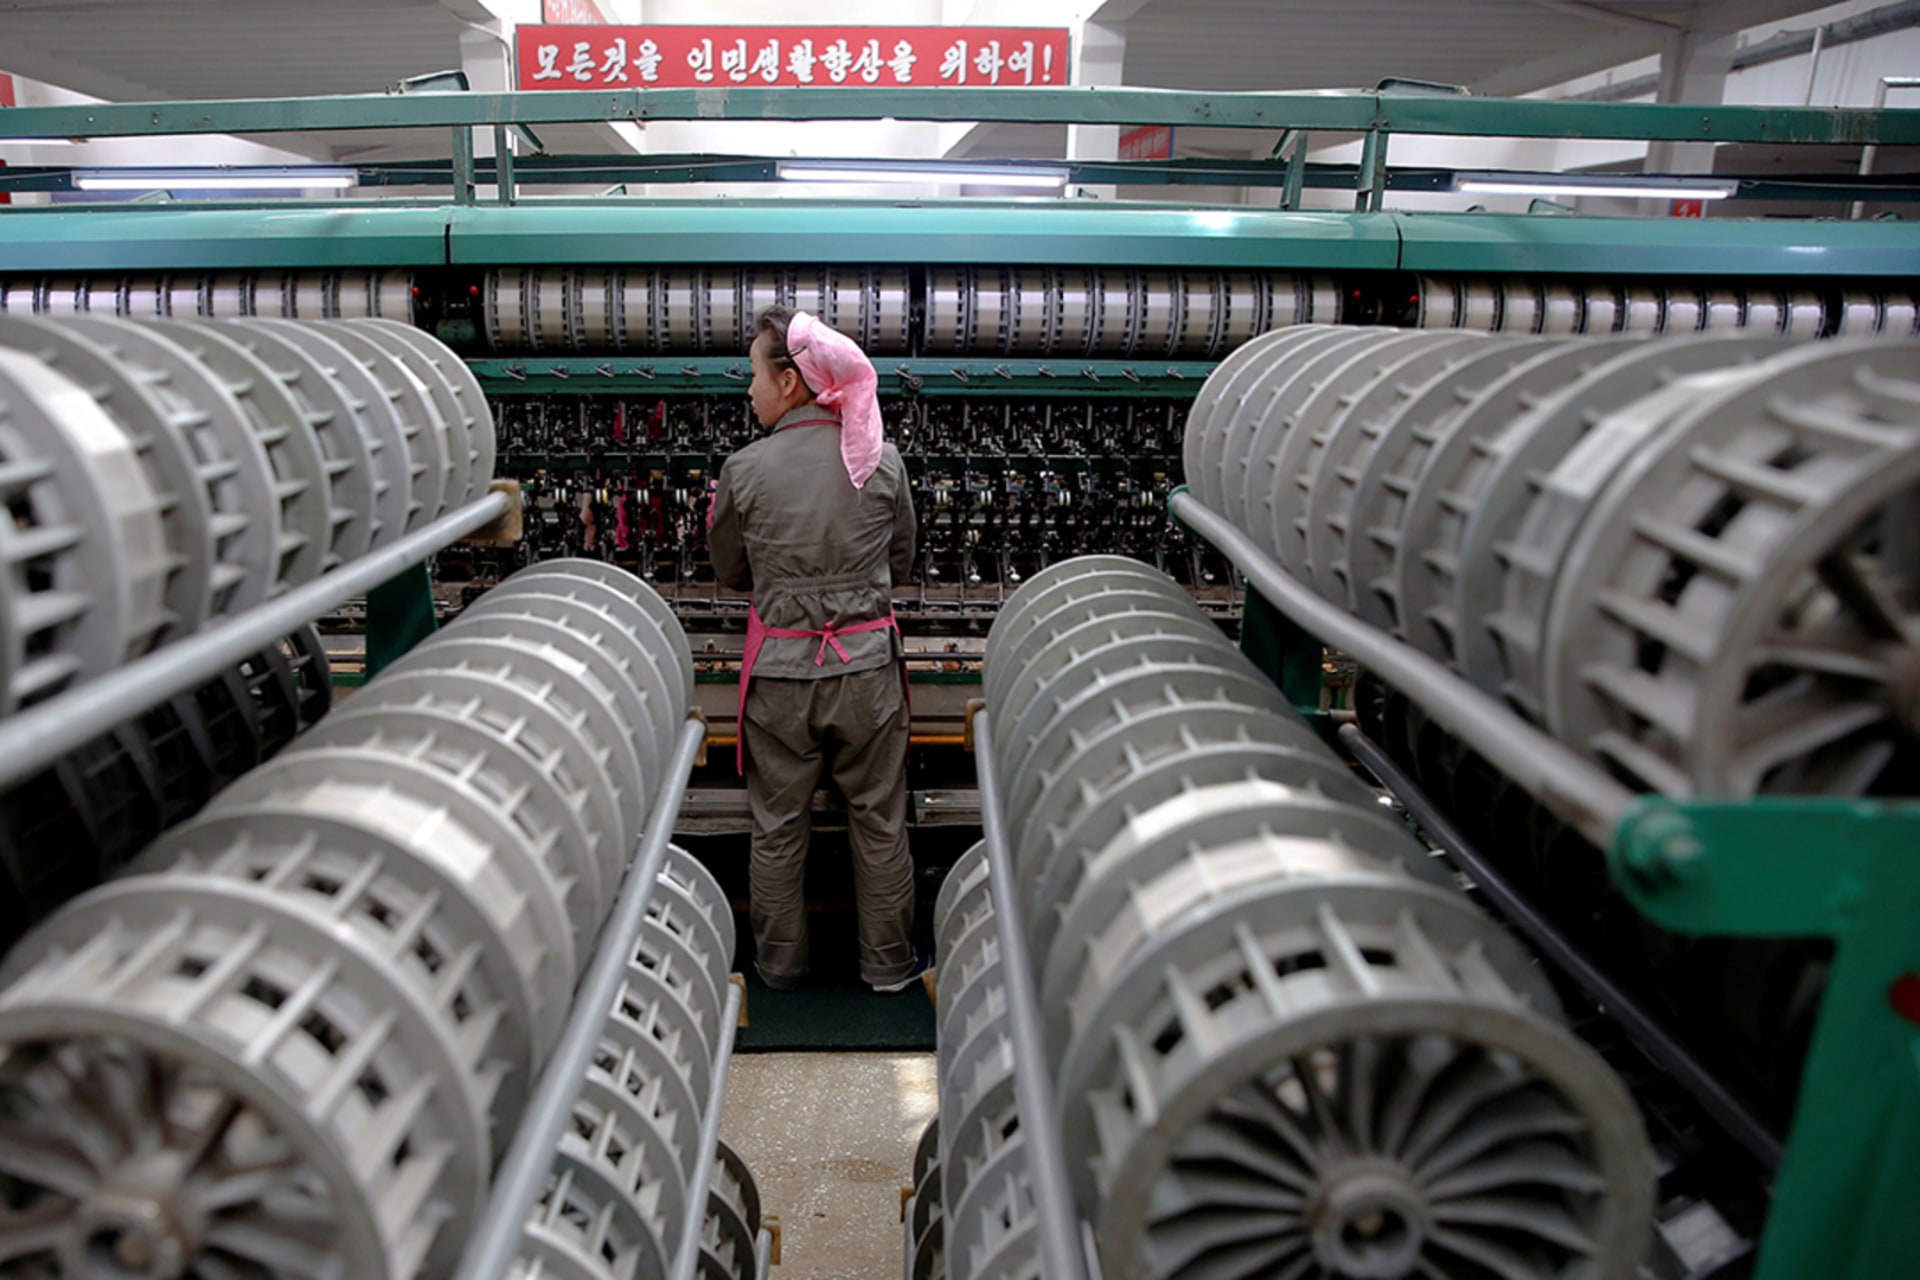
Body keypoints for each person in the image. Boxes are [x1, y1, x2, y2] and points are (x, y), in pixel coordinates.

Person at [707, 306, 922, 993]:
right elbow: (903, 560)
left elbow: (732, 573)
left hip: (781, 681)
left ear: (792, 383)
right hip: (866, 676)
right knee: (881, 819)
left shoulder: (744, 469)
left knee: (777, 828)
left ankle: (780, 970)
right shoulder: (881, 461)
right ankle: (887, 968)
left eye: (754, 375)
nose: (749, 390)